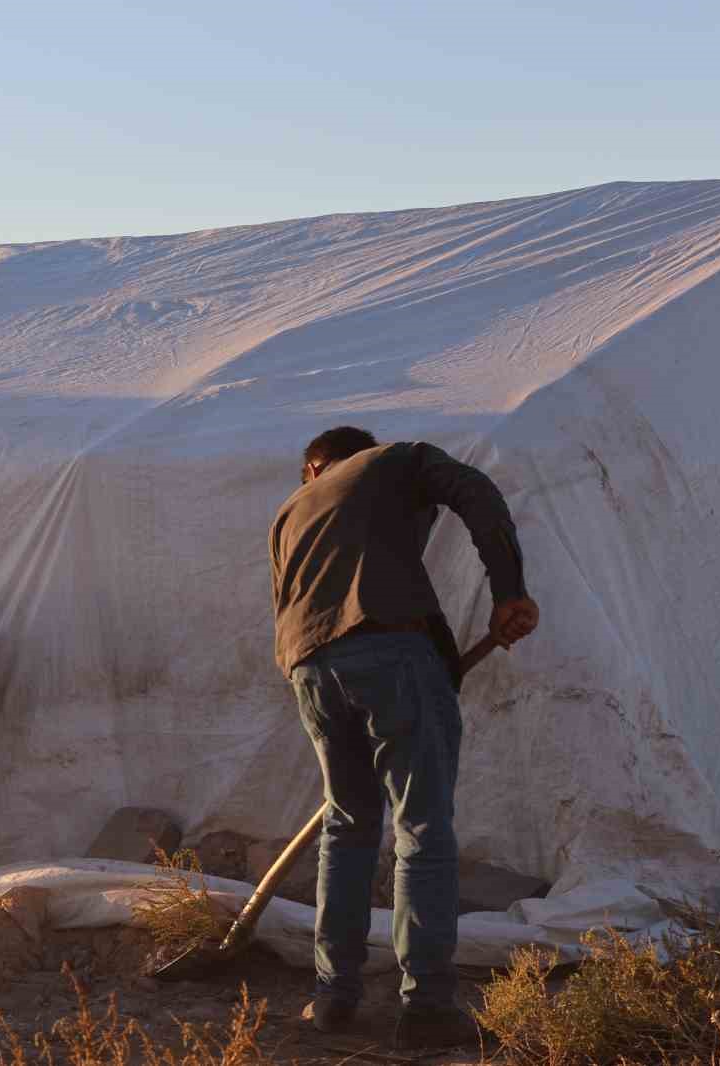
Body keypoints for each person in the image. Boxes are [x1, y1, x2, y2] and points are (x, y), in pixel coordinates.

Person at [269, 427, 539, 1049]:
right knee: (421, 826)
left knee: (348, 824)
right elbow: (476, 491)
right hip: (390, 647)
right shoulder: (395, 460)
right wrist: (508, 591)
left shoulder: (288, 512)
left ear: (313, 467)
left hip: (309, 668)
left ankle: (333, 998)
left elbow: (285, 605)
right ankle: (426, 1009)